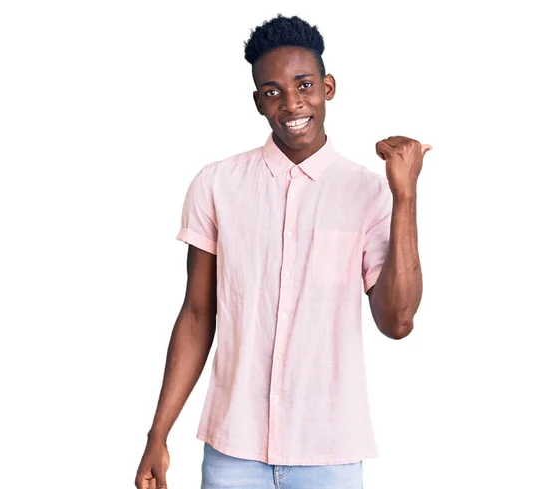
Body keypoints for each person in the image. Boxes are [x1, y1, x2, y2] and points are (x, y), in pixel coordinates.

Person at [135, 13, 431, 489]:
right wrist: (157, 434)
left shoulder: (369, 193)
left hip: (330, 454)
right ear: (258, 102)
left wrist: (406, 197)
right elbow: (196, 315)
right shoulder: (216, 185)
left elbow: (396, 322)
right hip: (233, 452)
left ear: (329, 87)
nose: (292, 103)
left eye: (305, 84)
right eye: (273, 91)